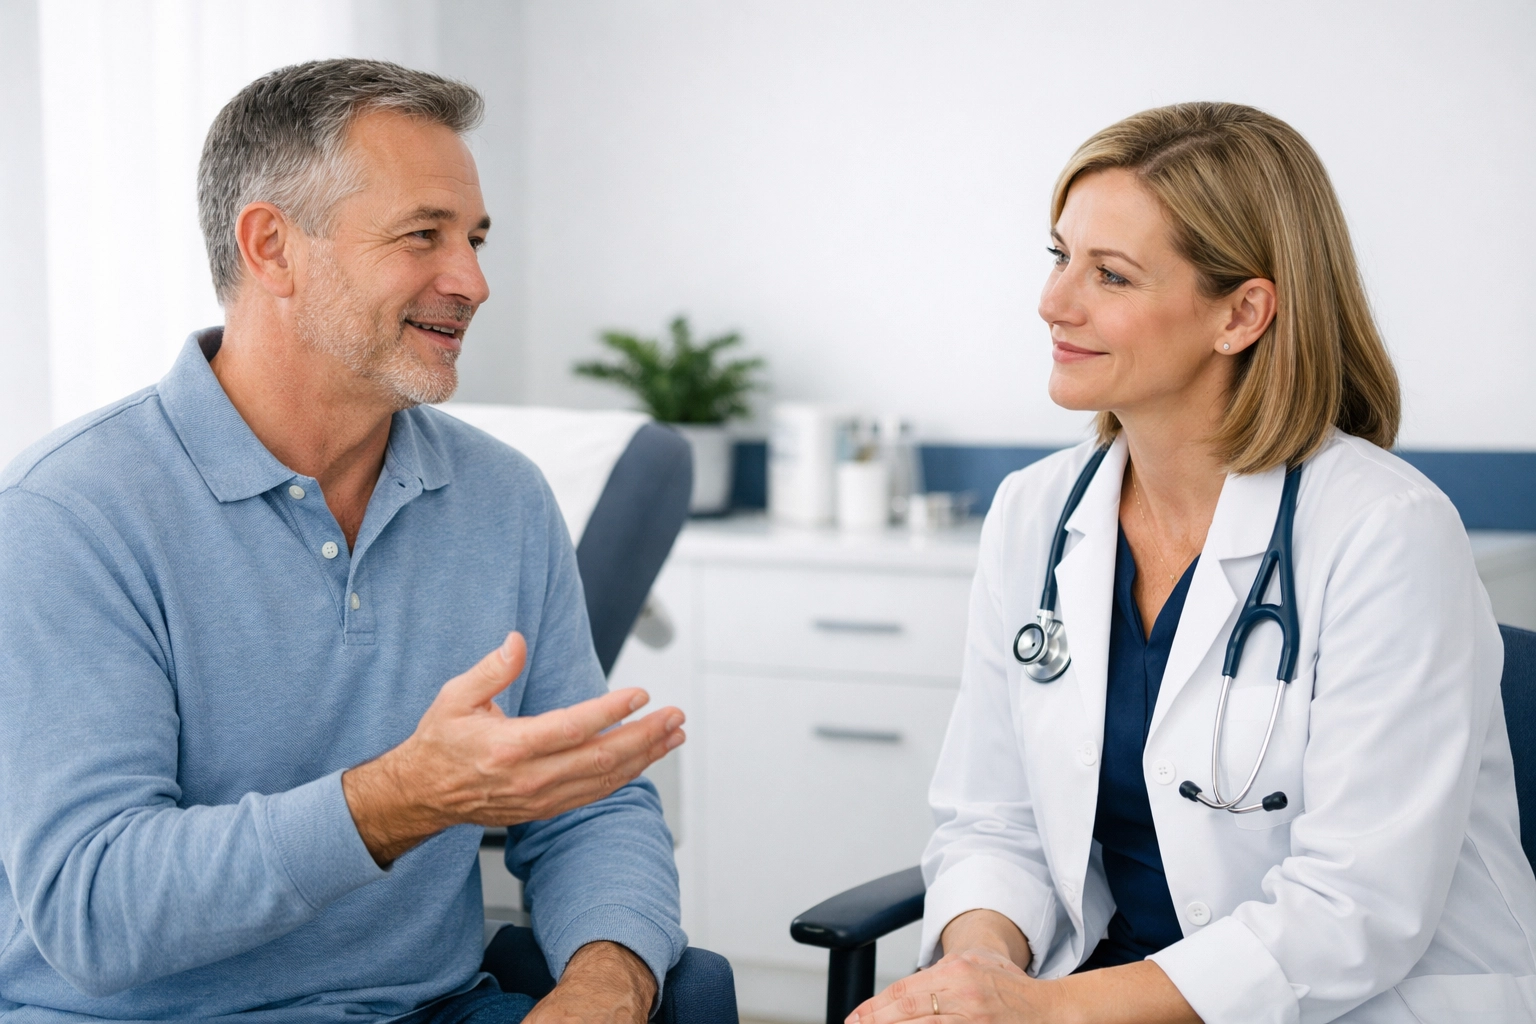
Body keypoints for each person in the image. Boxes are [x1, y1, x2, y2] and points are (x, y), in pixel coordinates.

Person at [0, 59, 687, 1024]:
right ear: (272, 247)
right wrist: (398, 796)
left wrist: (604, 983)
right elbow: (96, 910)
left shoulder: (504, 500)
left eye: (477, 239)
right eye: (424, 236)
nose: (475, 282)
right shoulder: (67, 516)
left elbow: (593, 804)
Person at [852, 103, 1536, 1023]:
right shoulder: (1035, 513)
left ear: (1242, 313)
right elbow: (993, 821)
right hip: (1107, 989)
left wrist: (1048, 1013)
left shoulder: (1386, 530)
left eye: (1112, 275)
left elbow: (1354, 914)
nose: (1054, 303)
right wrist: (981, 978)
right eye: (1060, 257)